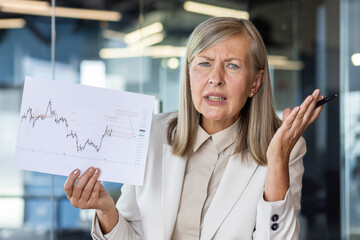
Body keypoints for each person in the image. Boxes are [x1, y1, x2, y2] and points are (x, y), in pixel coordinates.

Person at [64, 17, 324, 240]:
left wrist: (277, 159)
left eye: (232, 65)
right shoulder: (152, 134)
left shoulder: (283, 150)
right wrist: (107, 211)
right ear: (188, 74)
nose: (215, 78)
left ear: (255, 82)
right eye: (204, 63)